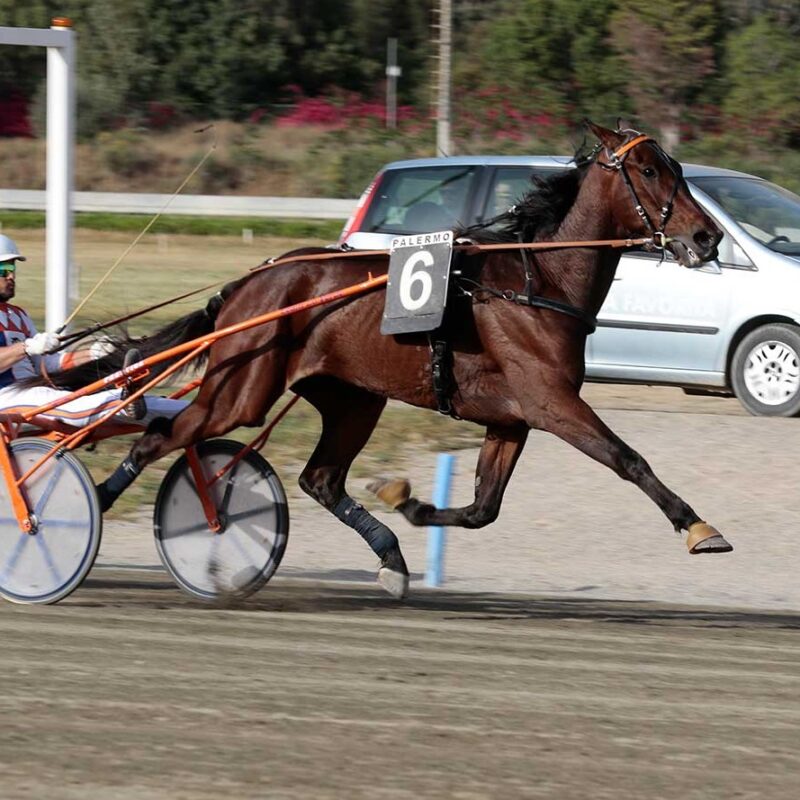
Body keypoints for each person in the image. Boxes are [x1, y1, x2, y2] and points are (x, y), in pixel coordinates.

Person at [0, 234, 185, 429]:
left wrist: (94, 352)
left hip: (32, 391)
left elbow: (46, 365)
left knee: (115, 397)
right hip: (7, 396)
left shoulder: (18, 315)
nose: (11, 276)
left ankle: (191, 411)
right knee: (89, 406)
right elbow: (28, 351)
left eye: (12, 268)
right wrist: (27, 346)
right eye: (3, 270)